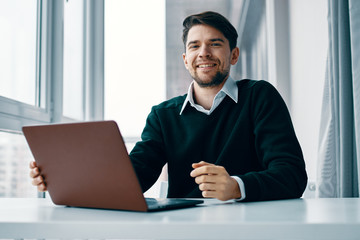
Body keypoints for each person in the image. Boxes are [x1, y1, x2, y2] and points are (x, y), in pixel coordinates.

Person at [30, 11, 307, 202]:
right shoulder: (163, 115)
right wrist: (67, 180)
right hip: (182, 230)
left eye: (215, 44)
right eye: (195, 46)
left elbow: (292, 175)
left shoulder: (260, 97)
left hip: (253, 227)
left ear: (233, 54)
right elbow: (134, 176)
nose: (204, 53)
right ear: (186, 59)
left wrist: (237, 187)